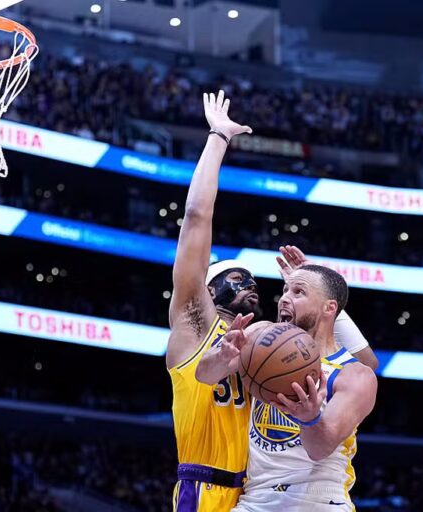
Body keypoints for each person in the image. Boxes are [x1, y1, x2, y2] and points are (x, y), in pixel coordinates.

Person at [167, 89, 259, 512]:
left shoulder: (258, 341)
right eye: (239, 279)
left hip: (255, 491)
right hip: (204, 489)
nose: (252, 285)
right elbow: (196, 218)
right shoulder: (194, 322)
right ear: (209, 288)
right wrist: (218, 138)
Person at [232, 264, 378, 511]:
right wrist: (220, 355)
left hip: (318, 500)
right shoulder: (261, 341)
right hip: (255, 498)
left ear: (330, 308)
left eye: (298, 292)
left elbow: (319, 449)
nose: (284, 298)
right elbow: (203, 374)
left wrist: (310, 419)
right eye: (285, 289)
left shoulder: (353, 375)